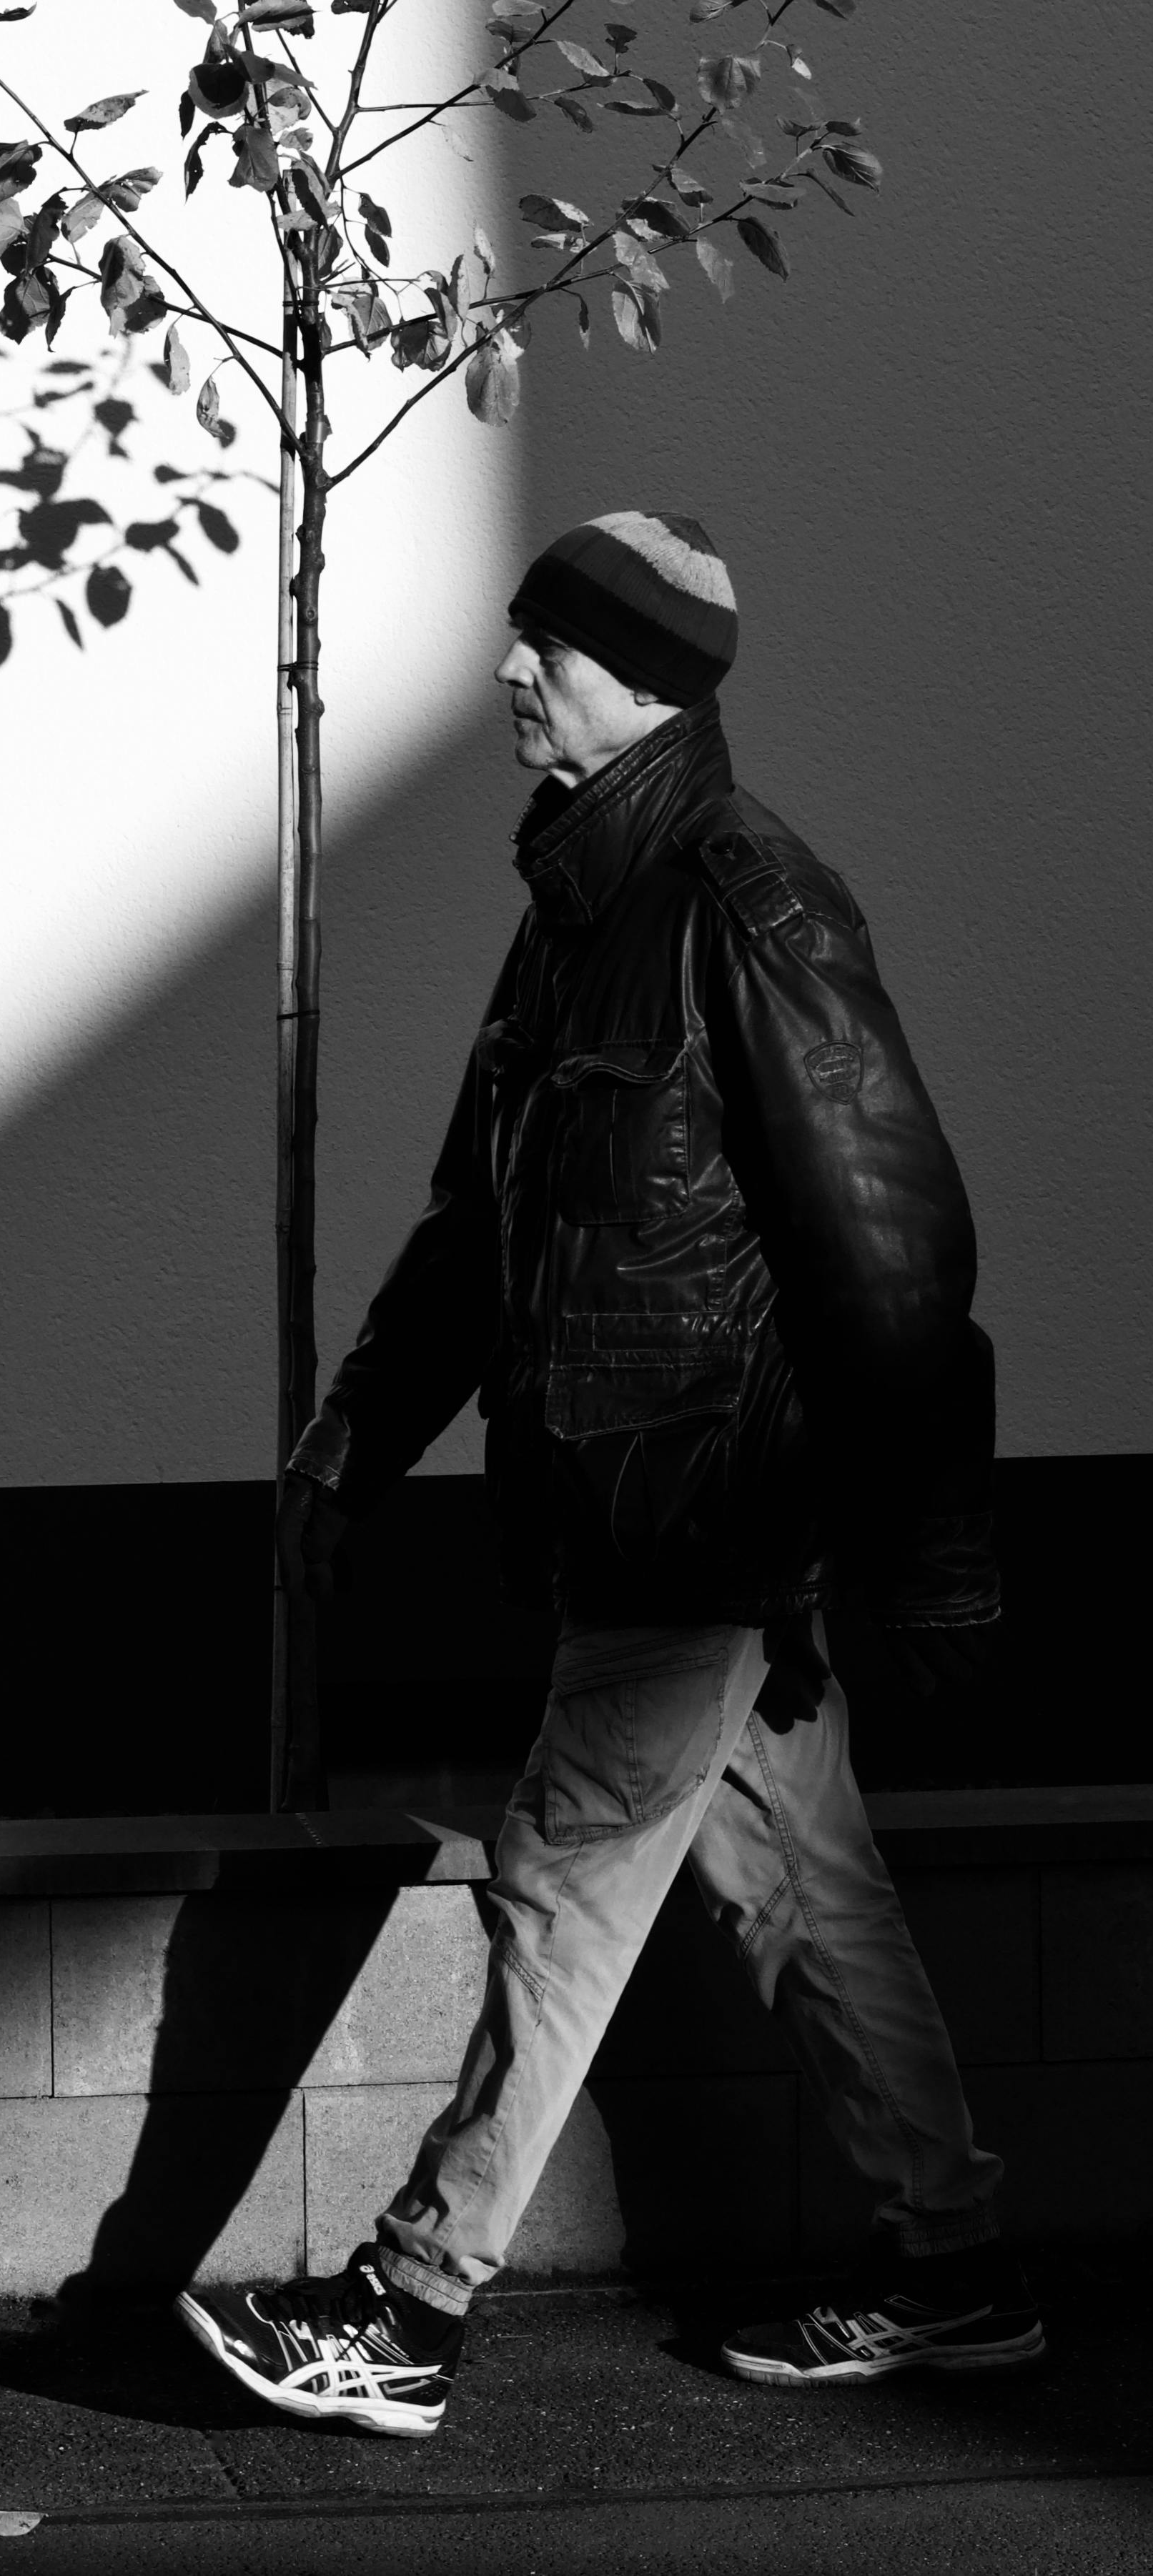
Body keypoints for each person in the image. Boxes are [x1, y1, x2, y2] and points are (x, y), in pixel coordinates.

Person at [178, 511, 1041, 2438]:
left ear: (637, 684)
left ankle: (410, 2303)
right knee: (811, 1897)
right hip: (644, 1511)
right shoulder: (584, 912)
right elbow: (486, 1228)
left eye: (542, 646)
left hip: (703, 1516)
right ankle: (953, 2269)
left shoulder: (746, 905)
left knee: (557, 1882)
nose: (505, 672)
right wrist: (356, 1424)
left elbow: (895, 1246)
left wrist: (923, 1563)